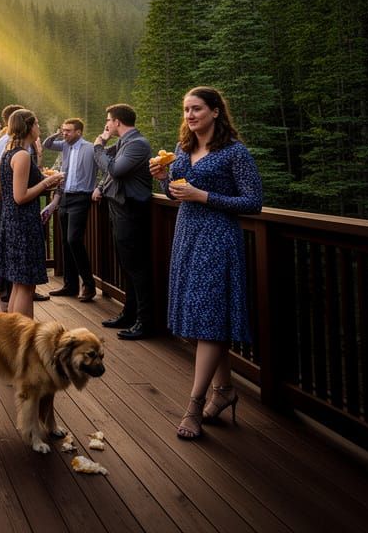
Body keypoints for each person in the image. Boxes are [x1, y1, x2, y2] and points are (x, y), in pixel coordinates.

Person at [149, 87, 262, 441]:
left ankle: (195, 405)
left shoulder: (234, 152)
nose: (190, 115)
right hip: (187, 236)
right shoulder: (183, 149)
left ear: (215, 112)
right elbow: (175, 192)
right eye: (185, 110)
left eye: (196, 109)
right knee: (202, 319)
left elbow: (254, 201)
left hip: (218, 239)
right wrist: (164, 180)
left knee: (211, 319)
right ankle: (224, 390)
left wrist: (204, 196)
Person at [93, 104, 154, 339]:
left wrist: (99, 144)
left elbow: (115, 169)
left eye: (109, 120)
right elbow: (107, 162)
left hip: (132, 211)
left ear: (117, 121)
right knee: (127, 265)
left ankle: (144, 321)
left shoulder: (138, 144)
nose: (107, 124)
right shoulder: (124, 143)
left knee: (137, 268)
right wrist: (100, 186)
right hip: (120, 209)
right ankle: (129, 314)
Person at [0, 109, 62, 318]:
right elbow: (20, 197)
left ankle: (14, 336)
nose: (39, 128)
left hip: (9, 222)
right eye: (37, 124)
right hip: (24, 224)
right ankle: (25, 335)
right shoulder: (22, 155)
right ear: (28, 127)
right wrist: (45, 183)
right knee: (25, 285)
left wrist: (44, 182)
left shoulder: (7, 153)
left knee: (18, 283)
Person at [42, 117, 100, 302]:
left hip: (82, 197)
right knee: (65, 243)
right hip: (64, 197)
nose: (65, 133)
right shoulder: (65, 145)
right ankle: (70, 285)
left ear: (79, 132)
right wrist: (58, 133)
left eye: (68, 130)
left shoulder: (90, 148)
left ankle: (89, 285)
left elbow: (105, 169)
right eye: (63, 130)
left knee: (74, 239)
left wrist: (100, 187)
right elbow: (47, 144)